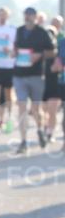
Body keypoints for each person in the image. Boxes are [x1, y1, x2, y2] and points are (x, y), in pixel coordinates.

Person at [12, 6, 56, 153]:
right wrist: (13, 52)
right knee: (22, 107)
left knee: (35, 109)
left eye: (31, 15)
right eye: (26, 15)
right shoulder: (19, 31)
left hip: (36, 75)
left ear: (35, 17)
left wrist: (39, 55)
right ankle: (23, 141)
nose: (28, 17)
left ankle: (39, 129)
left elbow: (52, 51)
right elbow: (15, 47)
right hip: (19, 74)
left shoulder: (42, 33)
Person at [41, 15, 63, 145]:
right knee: (43, 109)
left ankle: (50, 132)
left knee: (52, 109)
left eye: (52, 34)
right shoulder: (42, 52)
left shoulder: (60, 50)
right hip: (43, 83)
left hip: (55, 83)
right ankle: (45, 128)